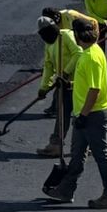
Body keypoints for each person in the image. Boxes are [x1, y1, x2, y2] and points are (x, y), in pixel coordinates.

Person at [47, 15, 107, 209]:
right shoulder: (93, 51)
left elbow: (94, 90)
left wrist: (84, 115)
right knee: (77, 155)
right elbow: (86, 83)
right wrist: (69, 83)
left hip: (93, 114)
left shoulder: (91, 57)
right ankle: (66, 190)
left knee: (101, 154)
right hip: (83, 114)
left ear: (78, 36)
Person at [34, 8, 81, 158]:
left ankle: (88, 145)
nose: (46, 36)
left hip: (78, 82)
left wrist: (66, 72)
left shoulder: (66, 35)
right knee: (62, 114)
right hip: (64, 85)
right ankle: (56, 145)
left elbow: (78, 53)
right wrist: (44, 87)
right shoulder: (49, 45)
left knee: (82, 115)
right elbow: (48, 66)